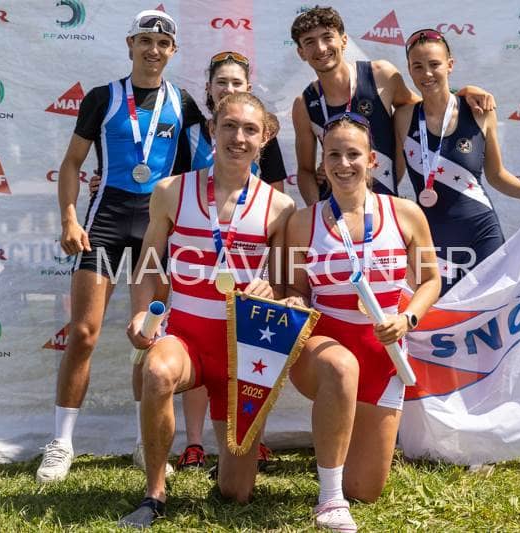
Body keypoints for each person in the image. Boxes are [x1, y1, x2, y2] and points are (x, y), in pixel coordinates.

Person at [36, 9, 206, 484]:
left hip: (156, 224)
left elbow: (198, 169)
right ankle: (61, 442)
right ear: (130, 44)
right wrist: (69, 217)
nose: (154, 49)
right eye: (145, 40)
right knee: (83, 333)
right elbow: (72, 163)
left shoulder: (184, 102)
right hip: (106, 220)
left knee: (147, 337)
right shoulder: (103, 97)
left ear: (173, 51)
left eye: (163, 43)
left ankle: (144, 443)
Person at [119, 92, 295, 528]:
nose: (239, 137)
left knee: (237, 494)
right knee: (156, 371)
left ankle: (228, 468)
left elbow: (286, 284)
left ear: (265, 139)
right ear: (213, 130)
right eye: (229, 126)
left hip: (244, 353)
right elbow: (148, 266)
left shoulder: (280, 207)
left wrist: (272, 288)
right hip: (188, 340)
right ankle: (154, 493)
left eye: (250, 130)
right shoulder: (170, 191)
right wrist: (140, 313)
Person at [284, 113, 440, 531]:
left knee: (366, 489)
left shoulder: (405, 213)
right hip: (323, 350)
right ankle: (329, 500)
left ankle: (340, 462)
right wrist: (294, 300)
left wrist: (407, 318)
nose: (343, 163)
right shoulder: (302, 222)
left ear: (372, 160)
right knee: (341, 367)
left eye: (353, 154)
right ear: (322, 163)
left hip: (383, 355)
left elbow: (431, 280)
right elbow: (294, 288)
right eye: (333, 155)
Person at [393, 28, 520, 295]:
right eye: (418, 66)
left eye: (435, 64)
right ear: (409, 70)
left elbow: (496, 175)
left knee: (491, 315)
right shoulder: (402, 117)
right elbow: (392, 179)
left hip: (481, 233)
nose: (427, 73)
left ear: (450, 65)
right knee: (436, 317)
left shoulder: (479, 112)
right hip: (429, 238)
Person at [290, 6, 494, 206]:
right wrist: (317, 211)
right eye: (309, 42)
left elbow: (427, 110)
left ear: (344, 41)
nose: (321, 48)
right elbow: (305, 171)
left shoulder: (381, 75)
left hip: (384, 204)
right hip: (334, 208)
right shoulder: (304, 104)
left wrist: (464, 94)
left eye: (327, 37)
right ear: (301, 53)